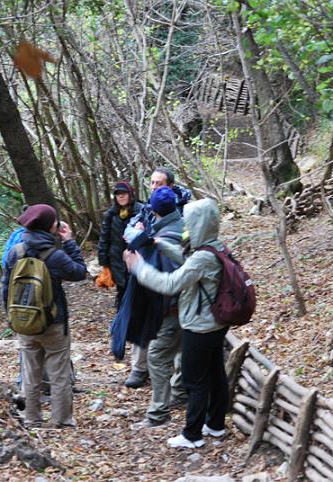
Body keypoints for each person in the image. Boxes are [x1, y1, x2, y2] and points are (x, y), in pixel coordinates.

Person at [125, 198, 228, 448]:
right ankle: (215, 425)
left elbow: (170, 283)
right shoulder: (216, 247)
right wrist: (160, 244)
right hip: (215, 324)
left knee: (195, 380)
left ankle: (192, 435)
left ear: (200, 224)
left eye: (191, 222)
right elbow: (187, 261)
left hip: (199, 326)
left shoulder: (203, 257)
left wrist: (139, 267)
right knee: (215, 374)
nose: (187, 227)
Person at [0, 204, 87, 428]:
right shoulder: (55, 255)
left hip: (24, 323)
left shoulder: (15, 252)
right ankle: (62, 421)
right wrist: (69, 242)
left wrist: (10, 316)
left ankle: (32, 419)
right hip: (53, 323)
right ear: (51, 226)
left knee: (30, 373)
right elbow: (79, 273)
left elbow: (5, 286)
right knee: (59, 374)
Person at [121, 167, 190, 402]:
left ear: (170, 185)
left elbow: (177, 267)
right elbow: (129, 228)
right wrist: (136, 234)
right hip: (156, 286)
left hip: (169, 290)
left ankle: (164, 403)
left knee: (166, 345)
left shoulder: (184, 212)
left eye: (158, 183)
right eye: (151, 183)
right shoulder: (148, 209)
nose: (154, 187)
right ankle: (141, 370)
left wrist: (141, 263)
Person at [97, 181, 144, 309]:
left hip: (137, 259)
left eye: (123, 193)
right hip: (117, 261)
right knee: (122, 293)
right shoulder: (110, 215)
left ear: (130, 194)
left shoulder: (142, 210)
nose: (121, 196)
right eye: (118, 194)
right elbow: (104, 239)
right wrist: (104, 263)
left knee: (139, 294)